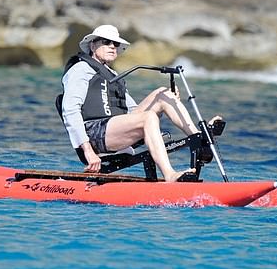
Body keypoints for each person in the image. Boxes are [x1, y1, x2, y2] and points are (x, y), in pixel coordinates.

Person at [60, 25, 220, 182]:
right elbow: (70, 110)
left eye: (115, 44)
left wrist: (170, 100)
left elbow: (132, 111)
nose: (112, 46)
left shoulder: (112, 75)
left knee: (163, 93)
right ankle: (170, 175)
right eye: (106, 42)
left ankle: (198, 139)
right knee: (148, 117)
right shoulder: (80, 69)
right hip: (94, 134)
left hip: (114, 129)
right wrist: (87, 150)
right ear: (92, 45)